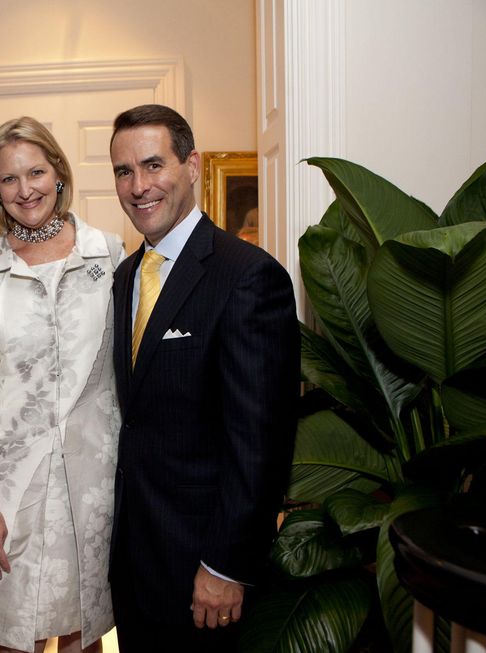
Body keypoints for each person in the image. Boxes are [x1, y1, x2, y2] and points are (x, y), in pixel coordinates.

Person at [107, 104, 299, 651]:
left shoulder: (248, 277)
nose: (138, 186)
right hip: (135, 567)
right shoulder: (125, 277)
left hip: (204, 572)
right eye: (124, 171)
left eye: (153, 165)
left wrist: (226, 565)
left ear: (191, 166)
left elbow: (259, 444)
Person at [0, 116, 123, 653]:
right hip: (11, 484)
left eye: (36, 172)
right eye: (9, 178)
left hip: (97, 481)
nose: (25, 189)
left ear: (58, 174)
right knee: (16, 636)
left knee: (84, 632)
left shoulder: (110, 253)